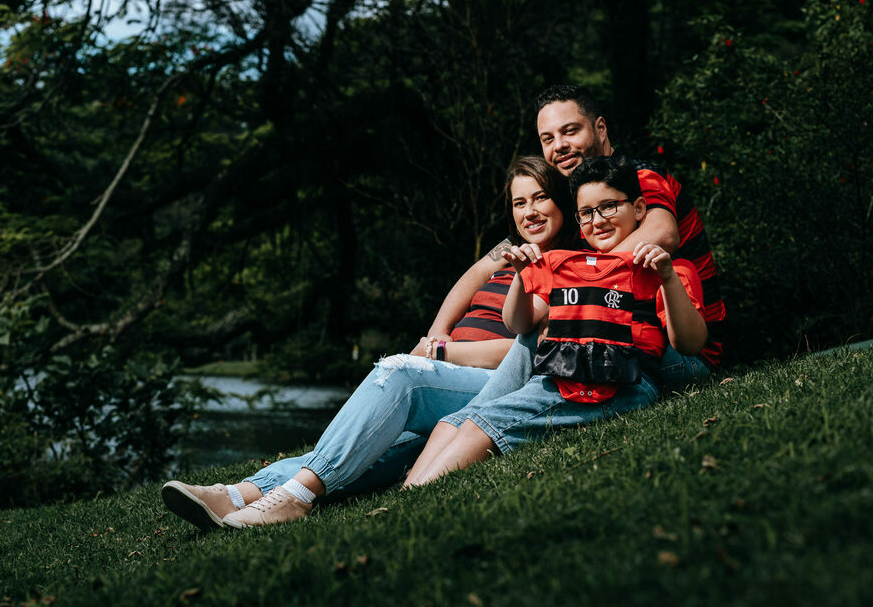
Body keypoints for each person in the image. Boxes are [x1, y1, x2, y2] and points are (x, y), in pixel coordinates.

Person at [161, 155, 578, 531]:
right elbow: (463, 285)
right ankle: (237, 495)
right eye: (519, 202)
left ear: (560, 201)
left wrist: (438, 354)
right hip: (447, 372)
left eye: (540, 198)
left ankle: (298, 496)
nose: (529, 211)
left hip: (485, 380)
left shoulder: (571, 265)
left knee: (400, 376)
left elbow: (528, 348)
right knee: (381, 444)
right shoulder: (508, 251)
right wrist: (435, 332)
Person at [401, 155, 708, 486]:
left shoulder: (666, 270)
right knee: (463, 420)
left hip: (618, 381)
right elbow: (519, 326)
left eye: (609, 207)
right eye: (587, 213)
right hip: (562, 371)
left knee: (481, 425)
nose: (598, 220)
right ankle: (409, 492)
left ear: (638, 209)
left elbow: (690, 344)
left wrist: (667, 279)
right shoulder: (569, 266)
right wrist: (521, 277)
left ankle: (412, 499)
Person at [434, 85, 724, 386]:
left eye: (570, 131)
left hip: (681, 351)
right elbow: (485, 265)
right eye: (548, 139)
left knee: (553, 340)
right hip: (624, 334)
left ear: (600, 128)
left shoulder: (637, 177)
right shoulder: (574, 200)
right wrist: (437, 331)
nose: (559, 145)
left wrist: (579, 285)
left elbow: (662, 234)